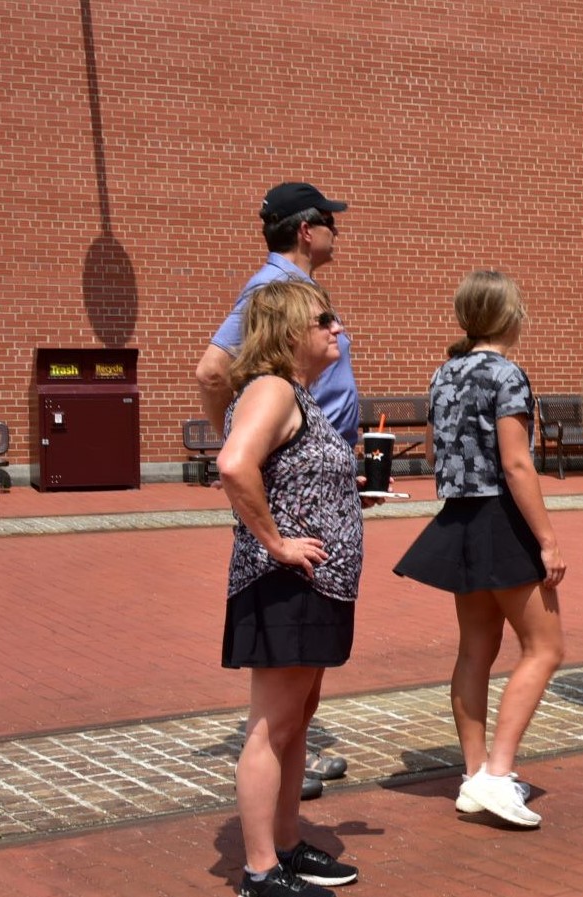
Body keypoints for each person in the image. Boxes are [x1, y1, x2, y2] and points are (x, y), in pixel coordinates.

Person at [195, 181, 359, 794]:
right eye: (331, 224)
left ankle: (286, 795)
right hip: (297, 501)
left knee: (300, 684)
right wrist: (258, 452)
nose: (337, 235)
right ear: (305, 230)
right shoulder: (274, 292)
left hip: (319, 482)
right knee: (281, 687)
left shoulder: (297, 289)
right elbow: (212, 370)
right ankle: (268, 842)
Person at [394, 271, 565, 826]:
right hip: (500, 518)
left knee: (474, 650)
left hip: (459, 517)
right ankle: (496, 773)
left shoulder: (443, 373)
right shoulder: (507, 373)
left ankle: (474, 776)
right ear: (509, 315)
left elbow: (435, 453)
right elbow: (517, 463)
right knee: (545, 648)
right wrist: (547, 538)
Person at [217, 280, 366, 897]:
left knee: (297, 721)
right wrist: (278, 544)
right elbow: (234, 464)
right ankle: (259, 873)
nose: (337, 328)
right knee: (271, 727)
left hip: (316, 583)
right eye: (324, 319)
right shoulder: (272, 389)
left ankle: (285, 842)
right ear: (286, 334)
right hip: (285, 584)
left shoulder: (297, 395)